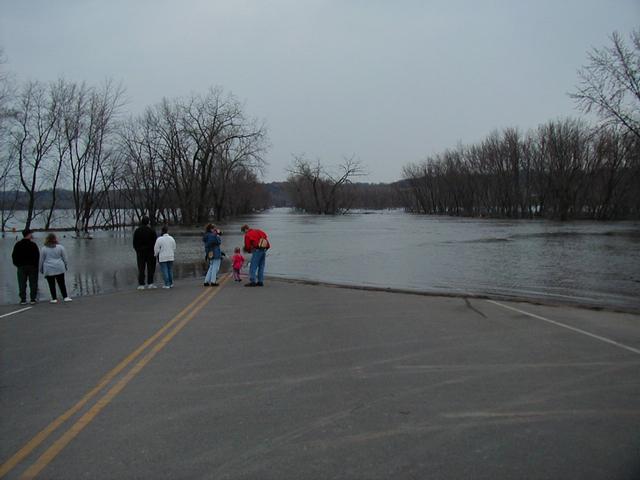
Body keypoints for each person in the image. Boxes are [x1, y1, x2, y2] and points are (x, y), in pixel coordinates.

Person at [39, 233, 71, 304]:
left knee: (51, 284)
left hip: (49, 268)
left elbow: (41, 260)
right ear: (55, 239)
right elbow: (65, 258)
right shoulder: (60, 247)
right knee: (62, 283)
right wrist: (65, 265)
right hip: (59, 267)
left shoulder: (44, 249)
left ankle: (54, 298)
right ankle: (65, 296)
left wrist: (41, 269)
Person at [12, 228, 40, 305]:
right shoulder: (33, 245)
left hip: (21, 266)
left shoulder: (18, 245)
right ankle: (33, 299)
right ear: (29, 234)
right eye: (31, 234)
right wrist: (36, 265)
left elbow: (14, 256)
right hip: (32, 266)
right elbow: (37, 256)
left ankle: (23, 299)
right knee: (33, 283)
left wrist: (17, 264)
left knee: (21, 283)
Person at [133, 216, 158, 290]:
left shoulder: (137, 231)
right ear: (148, 222)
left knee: (141, 268)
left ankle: (141, 284)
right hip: (150, 252)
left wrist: (137, 250)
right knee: (151, 268)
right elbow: (155, 242)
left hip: (140, 252)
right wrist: (154, 251)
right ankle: (150, 283)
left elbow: (134, 243)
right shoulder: (152, 231)